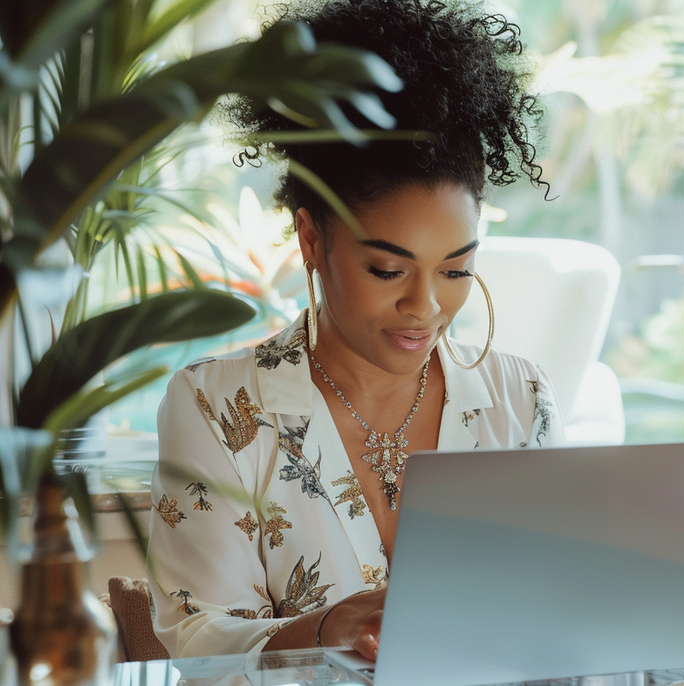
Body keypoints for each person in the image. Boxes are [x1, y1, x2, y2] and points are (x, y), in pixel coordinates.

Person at [147, 0, 563, 660]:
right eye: (387, 269)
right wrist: (323, 630)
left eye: (456, 270)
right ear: (312, 238)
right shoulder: (216, 406)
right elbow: (197, 641)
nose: (424, 307)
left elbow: (557, 612)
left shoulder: (523, 400)